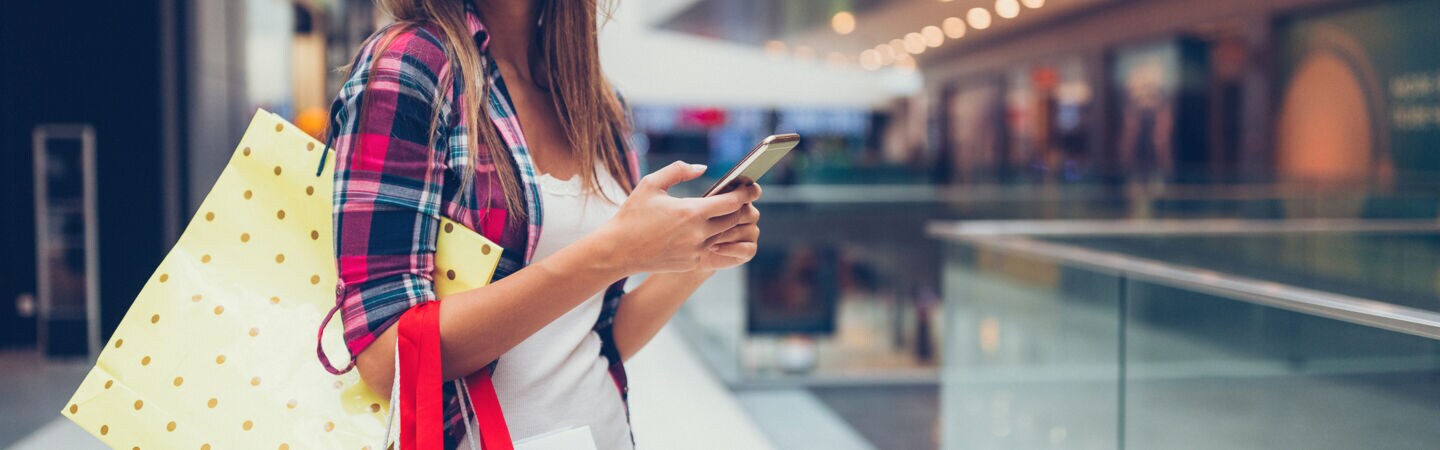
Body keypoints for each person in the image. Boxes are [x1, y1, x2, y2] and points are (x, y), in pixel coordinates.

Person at [327, 0, 763, 448]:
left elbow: (594, 335)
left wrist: (702, 255)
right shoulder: (411, 64)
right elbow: (386, 357)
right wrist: (614, 253)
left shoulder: (597, 99)